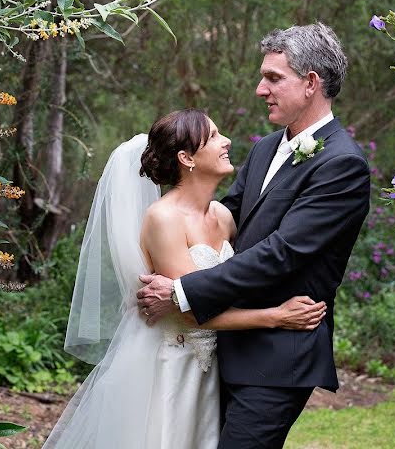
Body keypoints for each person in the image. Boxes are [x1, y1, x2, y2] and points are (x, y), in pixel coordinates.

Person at [137, 22, 373, 448]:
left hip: (280, 355)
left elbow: (282, 253)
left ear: (311, 83)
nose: (260, 89)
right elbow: (228, 214)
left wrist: (183, 292)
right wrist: (170, 227)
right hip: (226, 345)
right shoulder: (267, 147)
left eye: (273, 78)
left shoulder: (343, 164)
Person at [42, 109, 326, 448]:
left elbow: (235, 279)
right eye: (216, 136)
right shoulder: (164, 218)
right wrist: (276, 317)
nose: (227, 142)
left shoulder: (222, 216)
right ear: (186, 157)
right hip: (172, 368)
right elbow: (192, 313)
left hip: (217, 370)